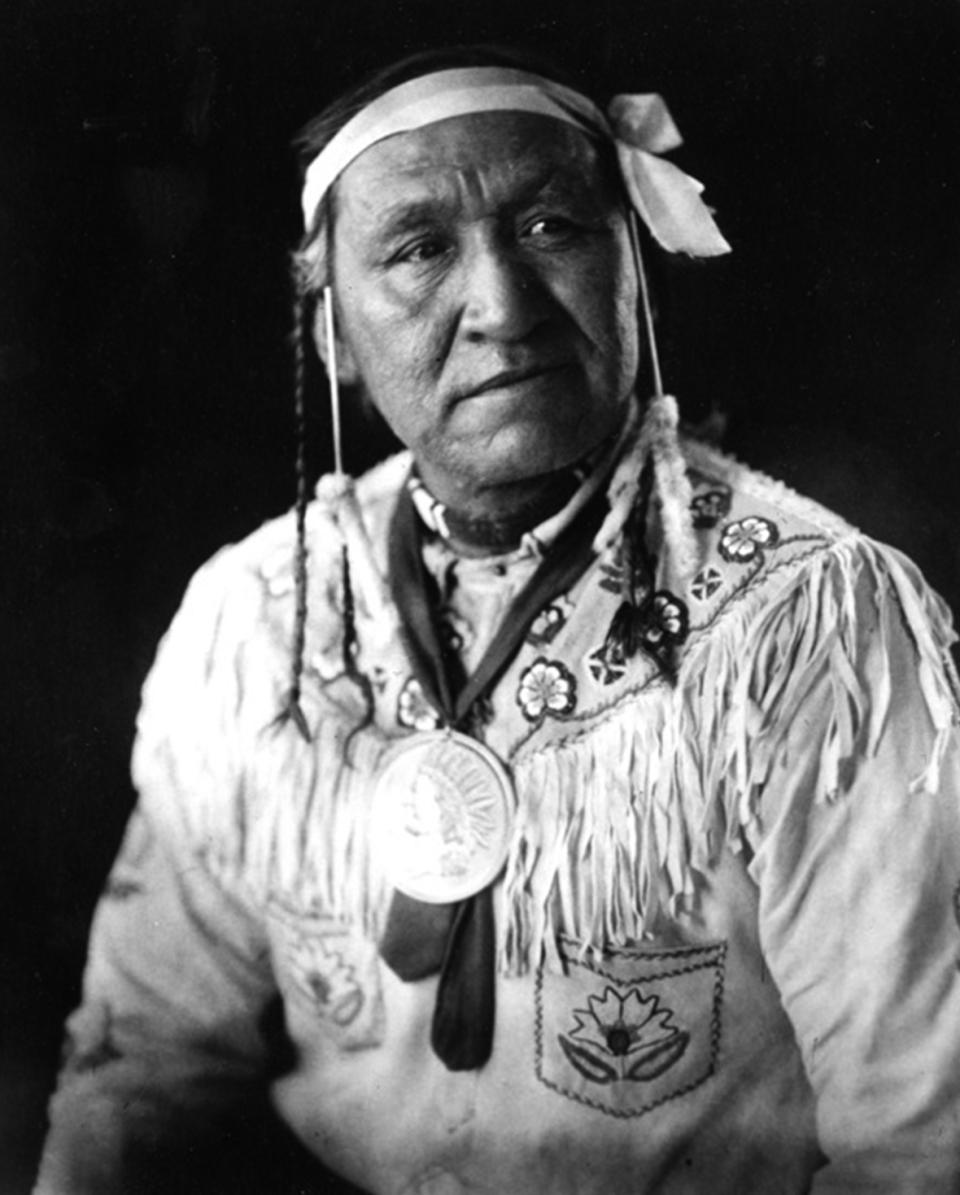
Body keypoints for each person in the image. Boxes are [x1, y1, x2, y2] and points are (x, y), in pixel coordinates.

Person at [35, 44, 960, 1195]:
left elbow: (922, 1141)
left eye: (551, 228)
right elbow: (142, 1063)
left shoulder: (810, 622)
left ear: (637, 270)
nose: (502, 309)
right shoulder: (256, 619)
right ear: (332, 334)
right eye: (421, 249)